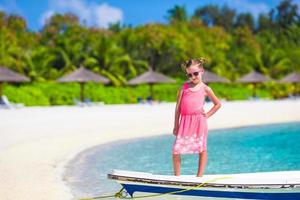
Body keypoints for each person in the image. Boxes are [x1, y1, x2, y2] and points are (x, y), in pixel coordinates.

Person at [172, 58, 222, 177]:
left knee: (202, 148)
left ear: (202, 71)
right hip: (184, 122)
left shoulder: (206, 88)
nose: (193, 77)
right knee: (176, 150)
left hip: (199, 122)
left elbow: (218, 104)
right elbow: (177, 108)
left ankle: (199, 176)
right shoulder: (183, 88)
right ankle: (177, 177)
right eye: (189, 75)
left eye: (195, 73)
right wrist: (176, 125)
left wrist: (207, 115)